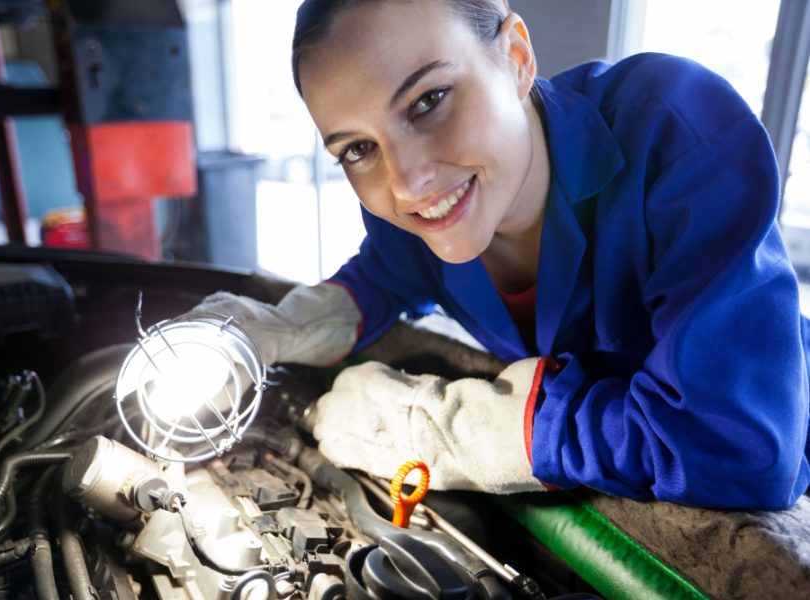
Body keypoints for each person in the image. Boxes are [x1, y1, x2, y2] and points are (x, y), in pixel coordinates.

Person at [191, 0, 810, 510]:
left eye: (428, 101)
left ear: (515, 58)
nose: (407, 183)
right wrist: (275, 328)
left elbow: (737, 449)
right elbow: (382, 277)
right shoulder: (415, 213)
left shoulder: (676, 132)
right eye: (357, 148)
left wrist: (453, 430)